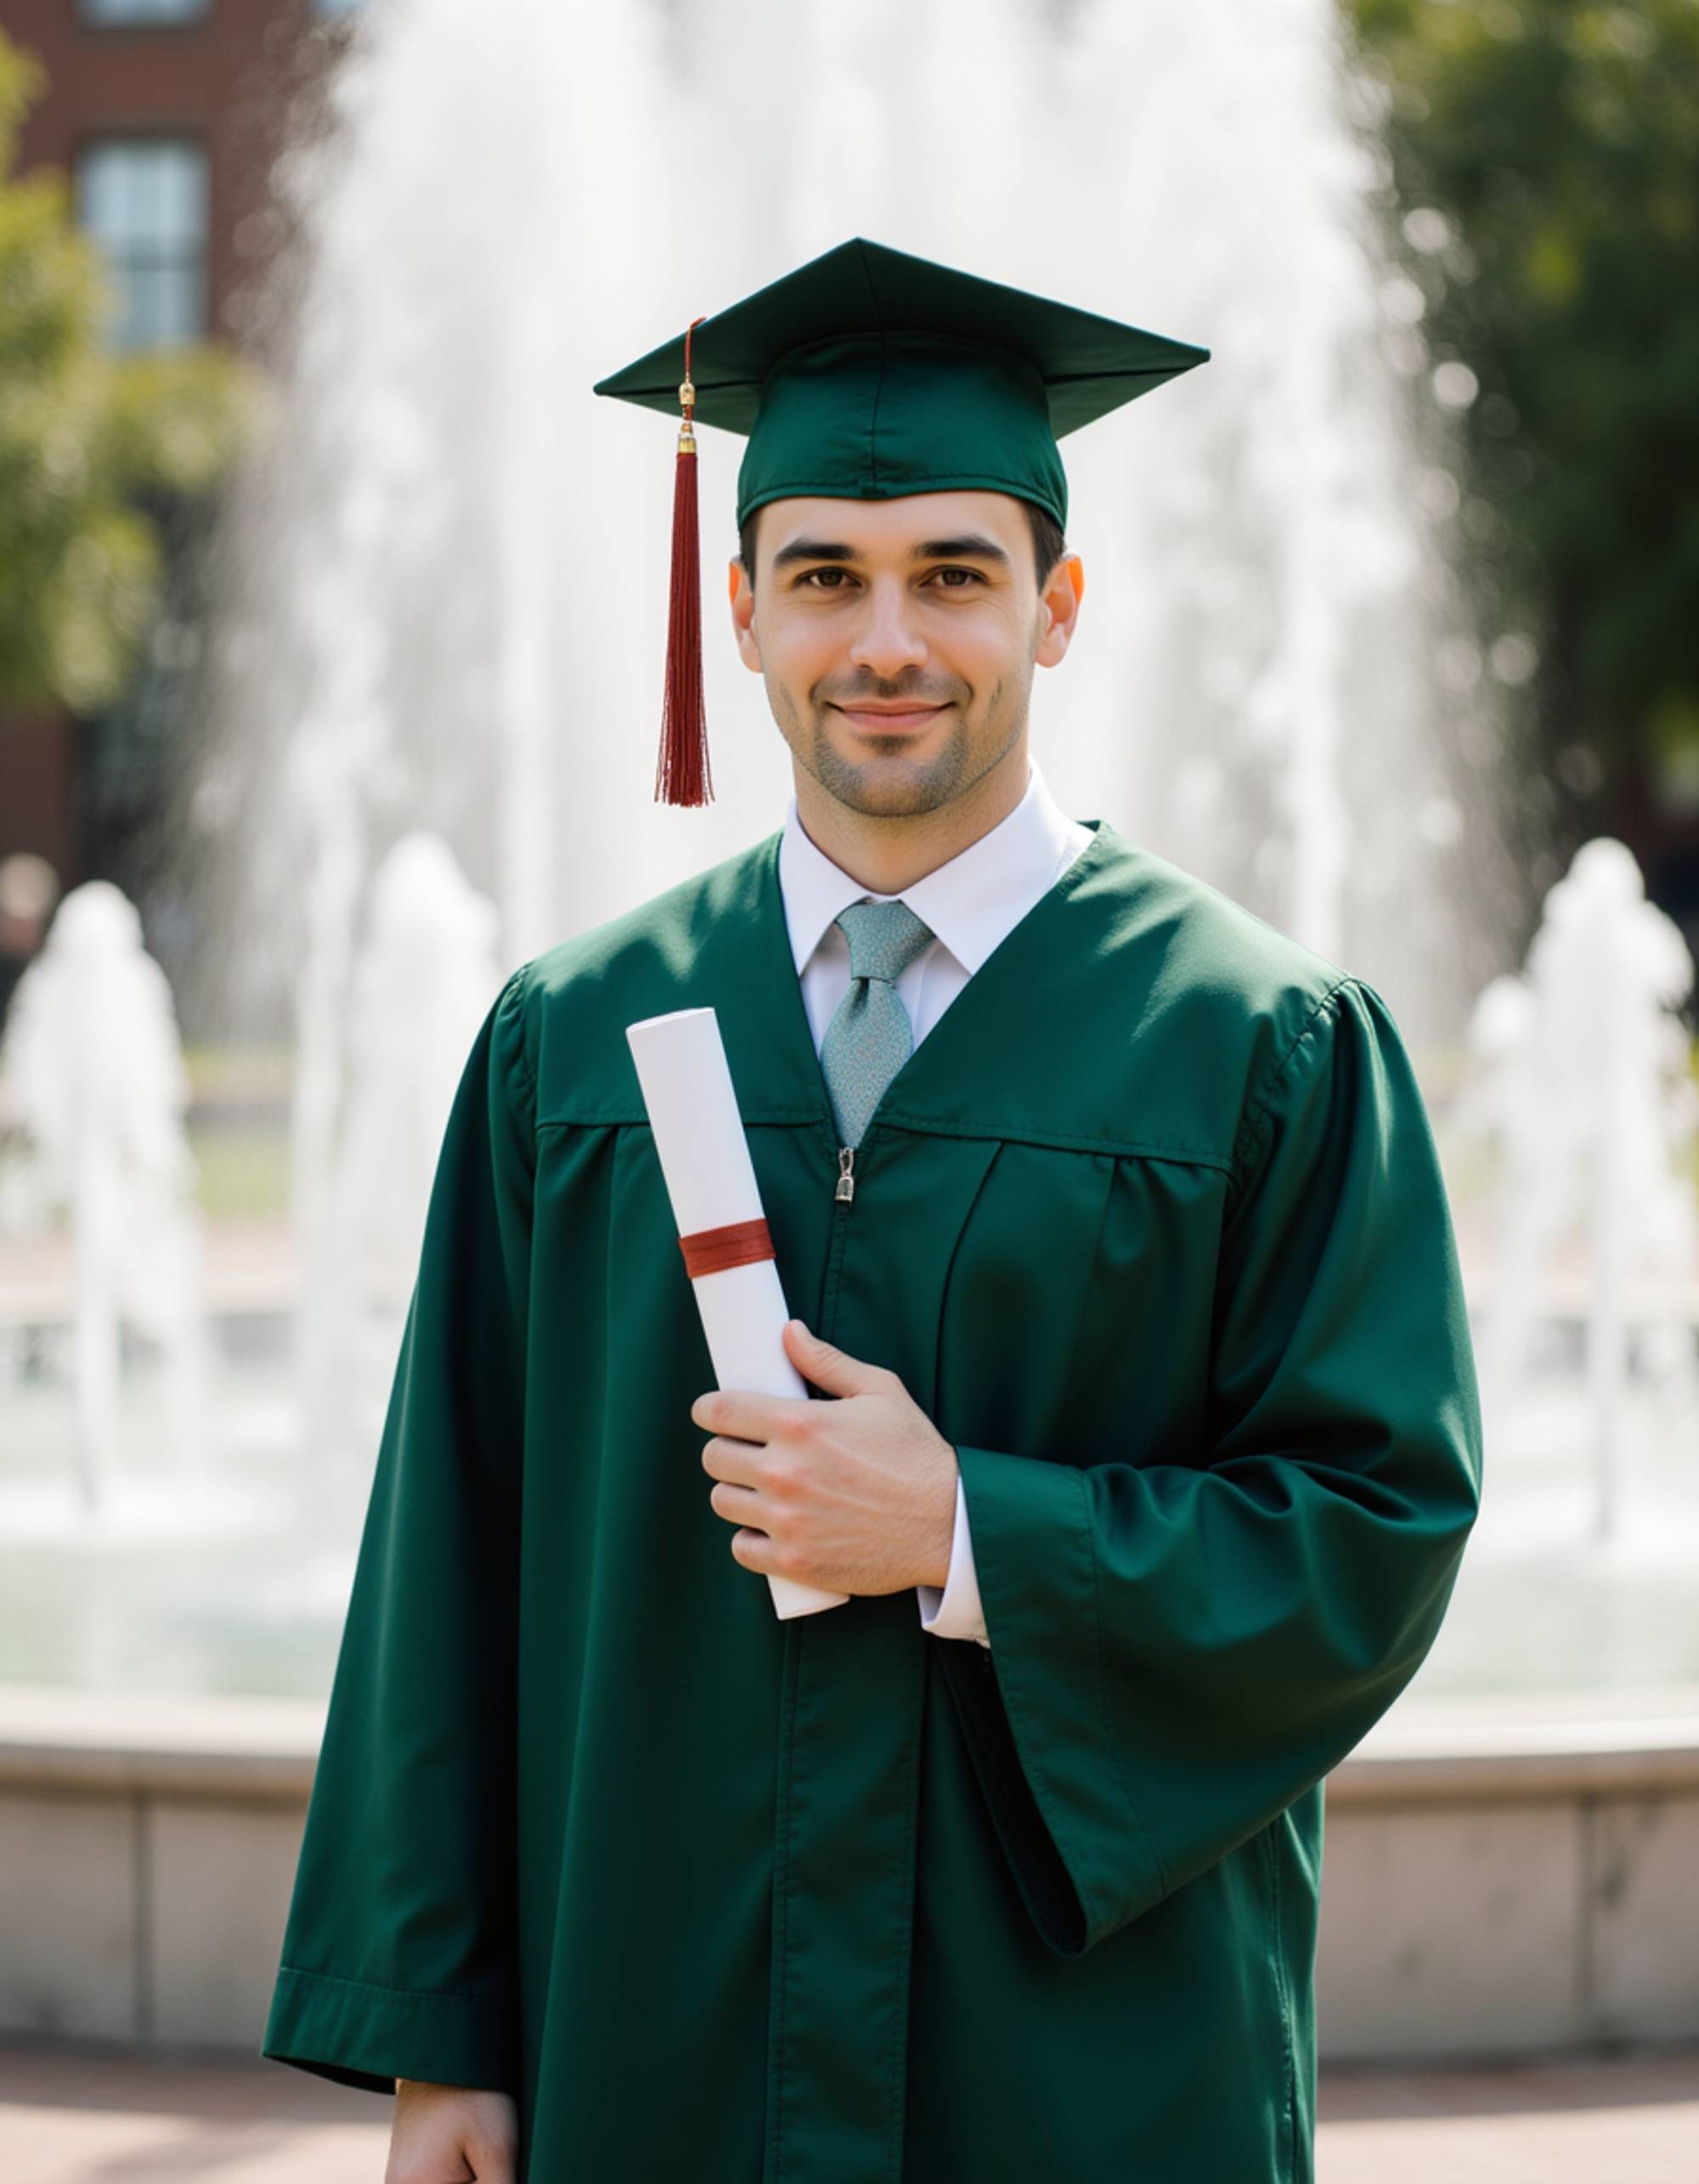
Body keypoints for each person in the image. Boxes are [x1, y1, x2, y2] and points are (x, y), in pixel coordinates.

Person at [261, 236, 1482, 2183]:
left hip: (1083, 2066)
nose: (885, 641)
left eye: (954, 577)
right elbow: (449, 1550)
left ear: (1058, 606)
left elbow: (1374, 1524)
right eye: (824, 575)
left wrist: (974, 1528)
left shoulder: (1259, 1046)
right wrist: (441, 2032)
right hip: (658, 2025)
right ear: (739, 610)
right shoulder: (570, 1042)